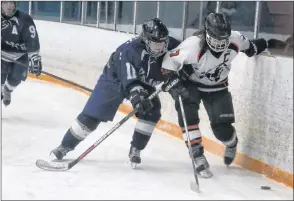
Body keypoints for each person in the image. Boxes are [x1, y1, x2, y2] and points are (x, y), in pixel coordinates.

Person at [161, 12, 282, 178]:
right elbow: (168, 62)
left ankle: (231, 143)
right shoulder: (192, 45)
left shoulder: (235, 39)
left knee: (222, 131)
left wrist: (268, 43)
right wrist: (172, 82)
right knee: (187, 113)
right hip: (192, 84)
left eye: (223, 39)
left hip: (218, 87)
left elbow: (250, 48)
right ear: (207, 33)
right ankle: (197, 156)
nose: (220, 43)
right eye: (216, 38)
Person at [50, 18, 181, 168]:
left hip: (144, 82)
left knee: (152, 110)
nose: (160, 48)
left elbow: (188, 57)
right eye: (155, 44)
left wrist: (179, 78)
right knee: (93, 114)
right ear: (145, 39)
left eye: (162, 43)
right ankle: (65, 146)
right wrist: (138, 98)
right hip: (115, 80)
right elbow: (130, 82)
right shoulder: (129, 51)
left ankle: (136, 149)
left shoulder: (171, 45)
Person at [1, 1, 42, 106]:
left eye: (11, 2)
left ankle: (7, 90)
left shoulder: (24, 19)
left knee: (15, 80)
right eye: (5, 3)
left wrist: (35, 58)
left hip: (20, 56)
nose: (9, 6)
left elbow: (32, 40)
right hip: (1, 55)